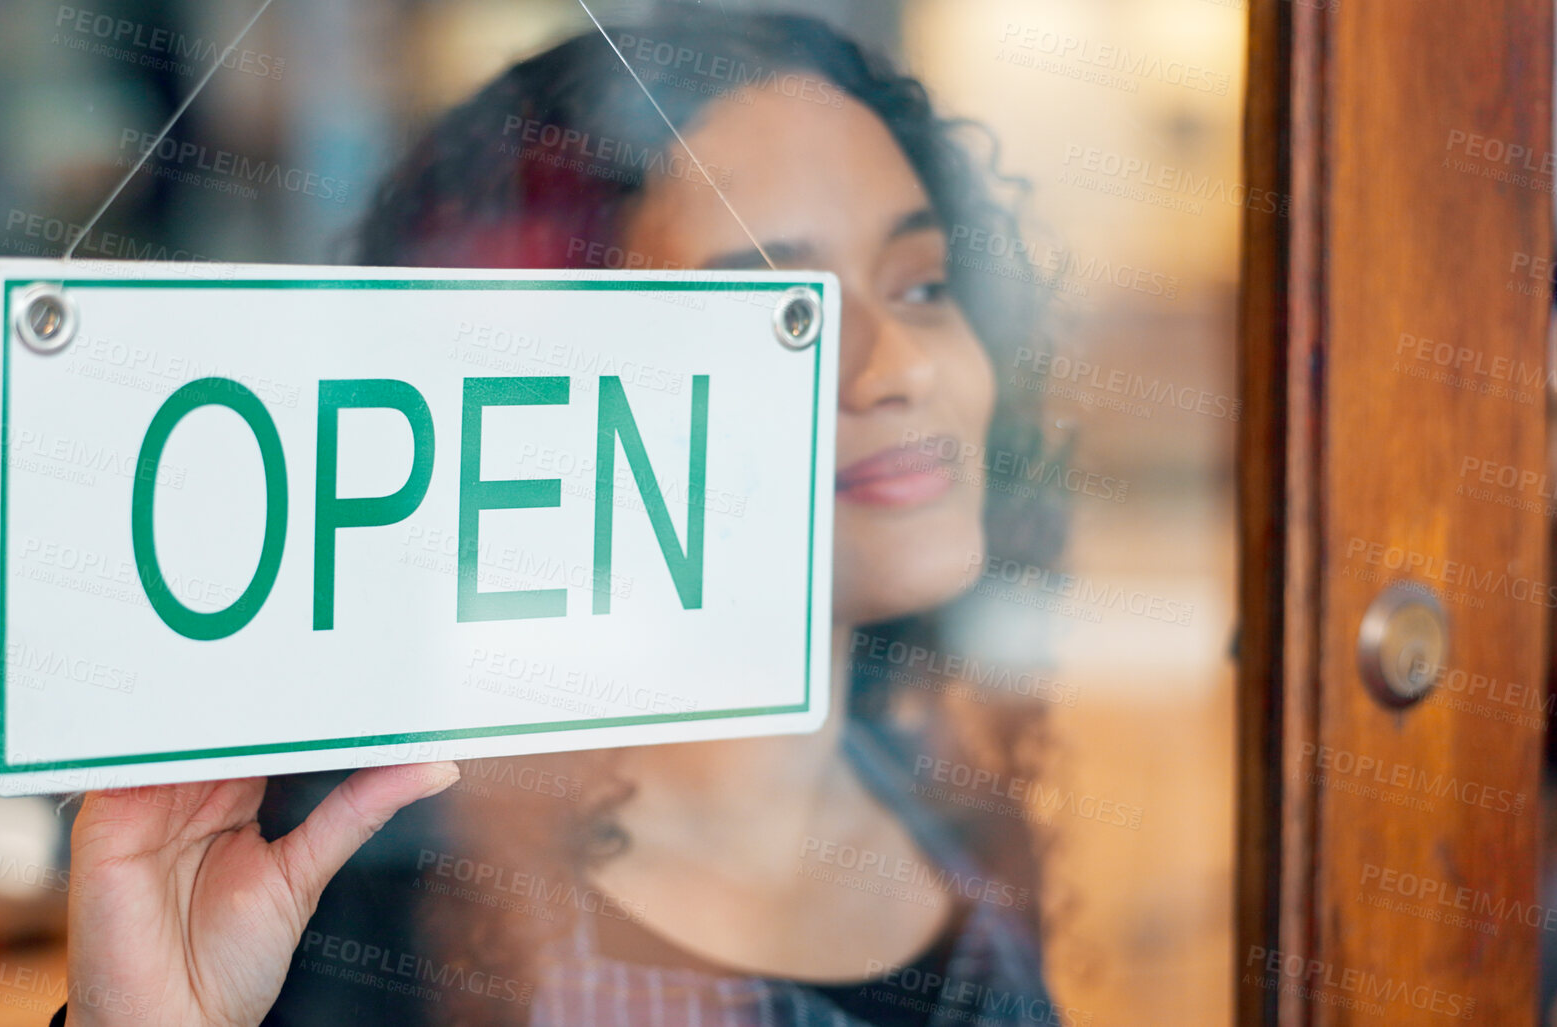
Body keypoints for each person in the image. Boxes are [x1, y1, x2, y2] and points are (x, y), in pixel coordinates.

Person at [53, 7, 1067, 1025]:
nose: (903, 366)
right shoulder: (392, 911)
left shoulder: (945, 813)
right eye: (774, 318)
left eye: (923, 285)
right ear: (553, 405)